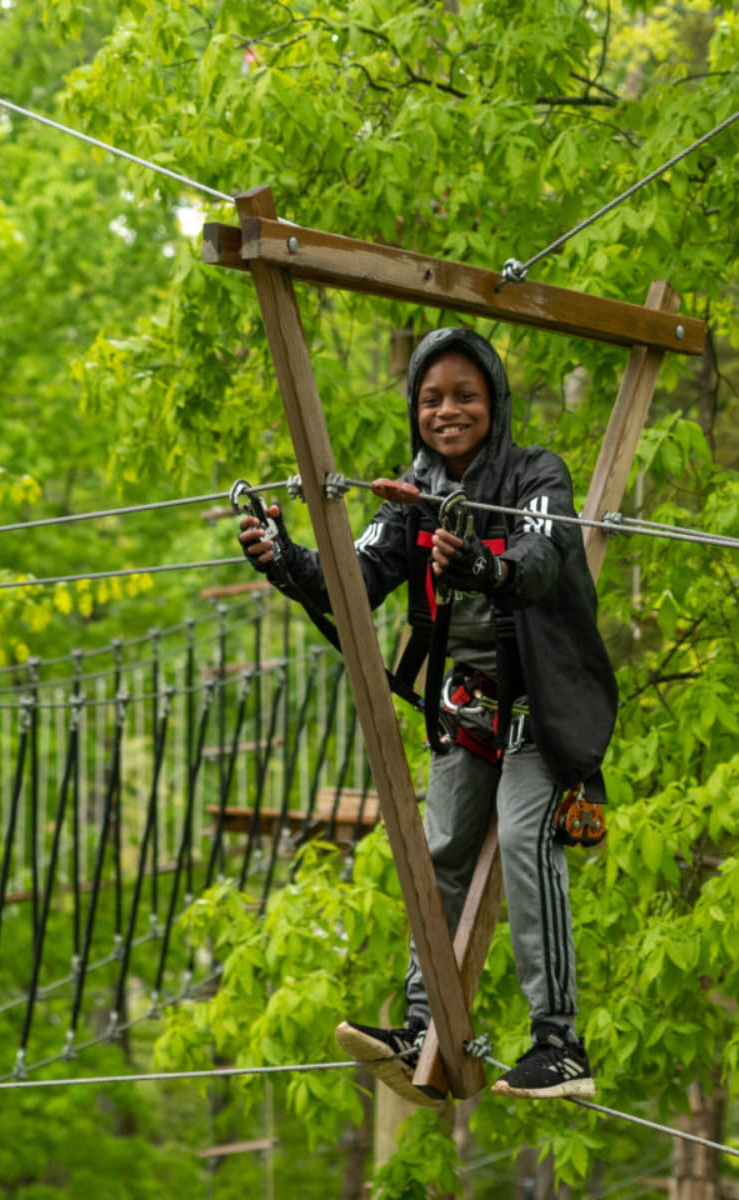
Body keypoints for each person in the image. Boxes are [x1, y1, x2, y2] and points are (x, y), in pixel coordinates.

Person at [237, 327, 618, 1102]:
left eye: (465, 396)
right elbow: (357, 581)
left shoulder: (534, 475)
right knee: (439, 847)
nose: (448, 411)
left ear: (495, 403)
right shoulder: (410, 496)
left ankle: (560, 1042)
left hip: (541, 708)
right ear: (415, 411)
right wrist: (286, 560)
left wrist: (482, 562)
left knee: (521, 838)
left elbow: (541, 559)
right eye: (432, 399)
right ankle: (422, 1028)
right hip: (466, 711)